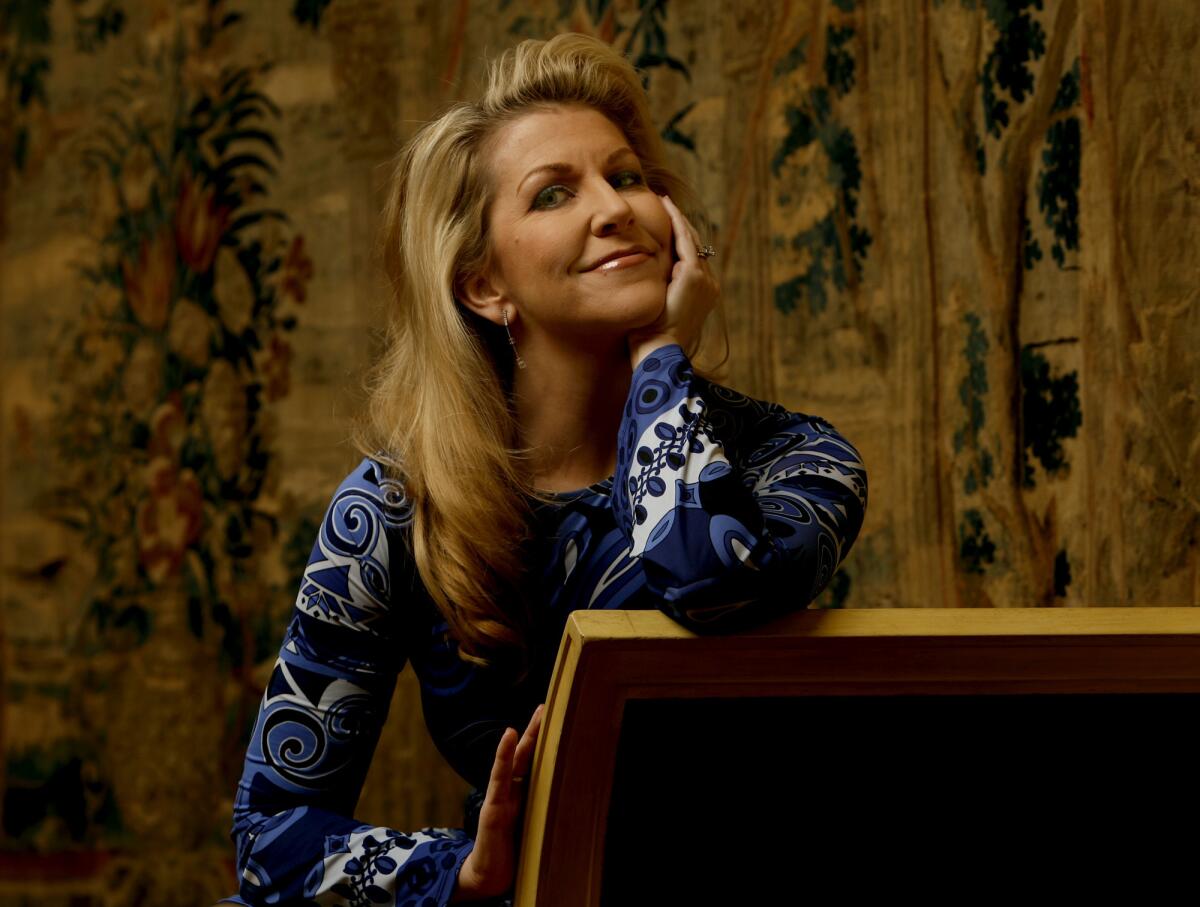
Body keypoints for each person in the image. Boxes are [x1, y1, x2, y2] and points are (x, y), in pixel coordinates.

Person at [227, 32, 868, 907]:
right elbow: (271, 834)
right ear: (485, 285)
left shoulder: (797, 460)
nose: (615, 209)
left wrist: (658, 361)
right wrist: (459, 869)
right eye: (555, 193)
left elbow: (706, 578)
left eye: (630, 176)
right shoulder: (394, 509)